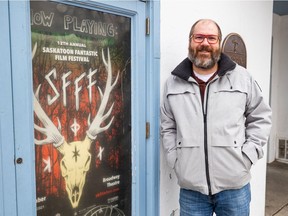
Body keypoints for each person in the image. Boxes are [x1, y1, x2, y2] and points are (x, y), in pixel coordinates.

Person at [160, 19, 272, 216]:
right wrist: (175, 160)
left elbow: (261, 117)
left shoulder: (243, 78)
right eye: (199, 37)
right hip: (191, 189)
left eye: (211, 38)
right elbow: (168, 126)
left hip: (234, 187)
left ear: (219, 43)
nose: (205, 43)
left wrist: (247, 157)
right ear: (190, 41)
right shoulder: (173, 83)